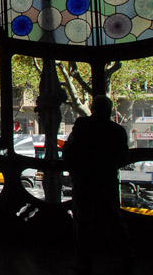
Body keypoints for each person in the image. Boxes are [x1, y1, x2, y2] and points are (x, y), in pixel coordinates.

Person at [62, 95, 135, 274]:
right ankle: (128, 258)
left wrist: (76, 171)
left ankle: (84, 262)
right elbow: (123, 156)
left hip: (85, 180)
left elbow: (69, 151)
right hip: (107, 180)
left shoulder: (82, 127)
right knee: (114, 219)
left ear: (93, 108)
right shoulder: (117, 130)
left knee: (82, 221)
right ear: (109, 110)